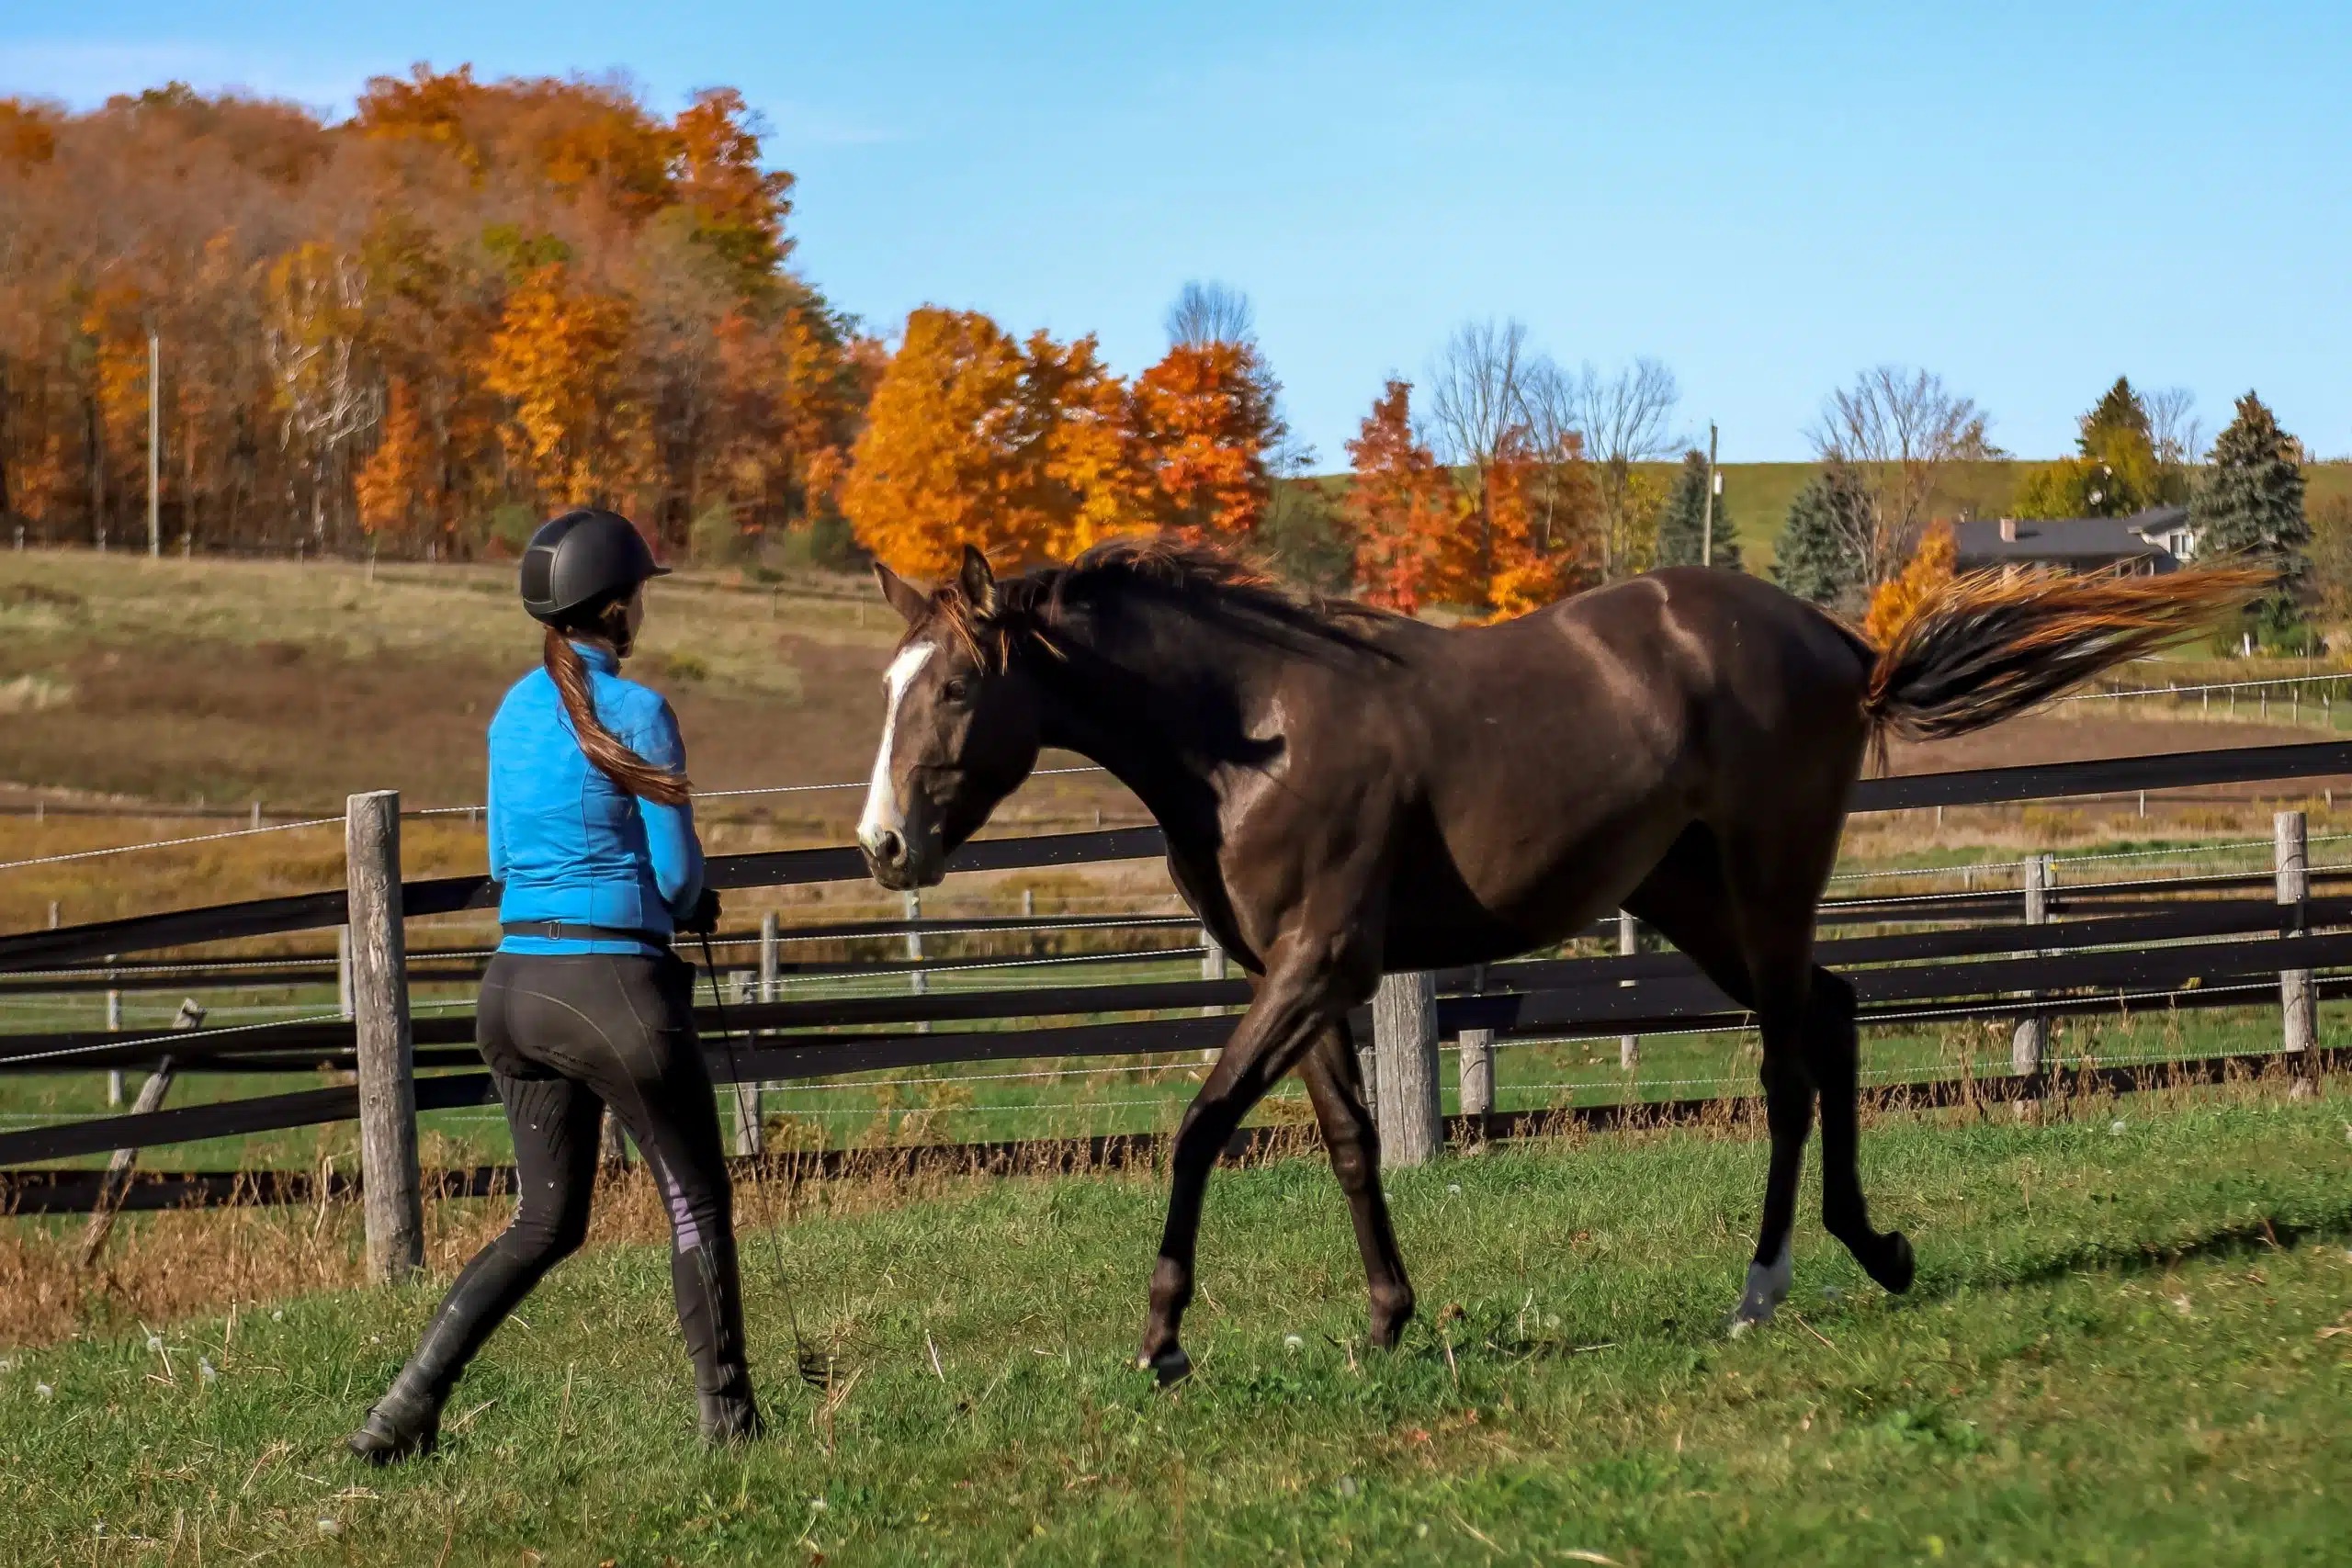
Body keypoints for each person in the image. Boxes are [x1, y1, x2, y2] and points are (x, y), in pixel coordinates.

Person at [347, 509, 759, 1462]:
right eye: (642, 594)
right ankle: (730, 1422)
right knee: (696, 1202)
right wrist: (694, 902)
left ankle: (406, 1408)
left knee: (544, 1220)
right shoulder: (640, 712)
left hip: (513, 991)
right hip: (614, 992)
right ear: (616, 607)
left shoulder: (507, 713)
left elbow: (499, 857)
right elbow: (676, 880)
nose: (644, 608)